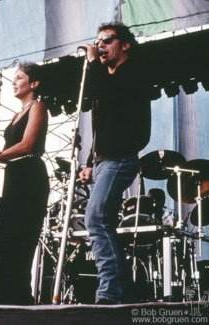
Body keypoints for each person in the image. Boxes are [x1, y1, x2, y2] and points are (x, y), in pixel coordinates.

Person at [78, 22, 152, 305]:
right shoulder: (105, 78)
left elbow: (113, 98)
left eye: (107, 40)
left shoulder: (132, 73)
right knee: (102, 221)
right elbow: (101, 128)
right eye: (97, 41)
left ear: (125, 44)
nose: (100, 45)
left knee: (95, 218)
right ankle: (125, 292)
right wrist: (88, 161)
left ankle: (110, 292)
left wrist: (94, 62)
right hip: (101, 160)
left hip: (121, 158)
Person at [0, 62, 50, 305]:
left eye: (20, 77)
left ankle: (20, 296)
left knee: (23, 234)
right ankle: (6, 292)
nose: (14, 82)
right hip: (13, 174)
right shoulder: (16, 114)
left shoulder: (38, 107)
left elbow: (27, 145)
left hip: (30, 174)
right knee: (8, 234)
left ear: (34, 84)